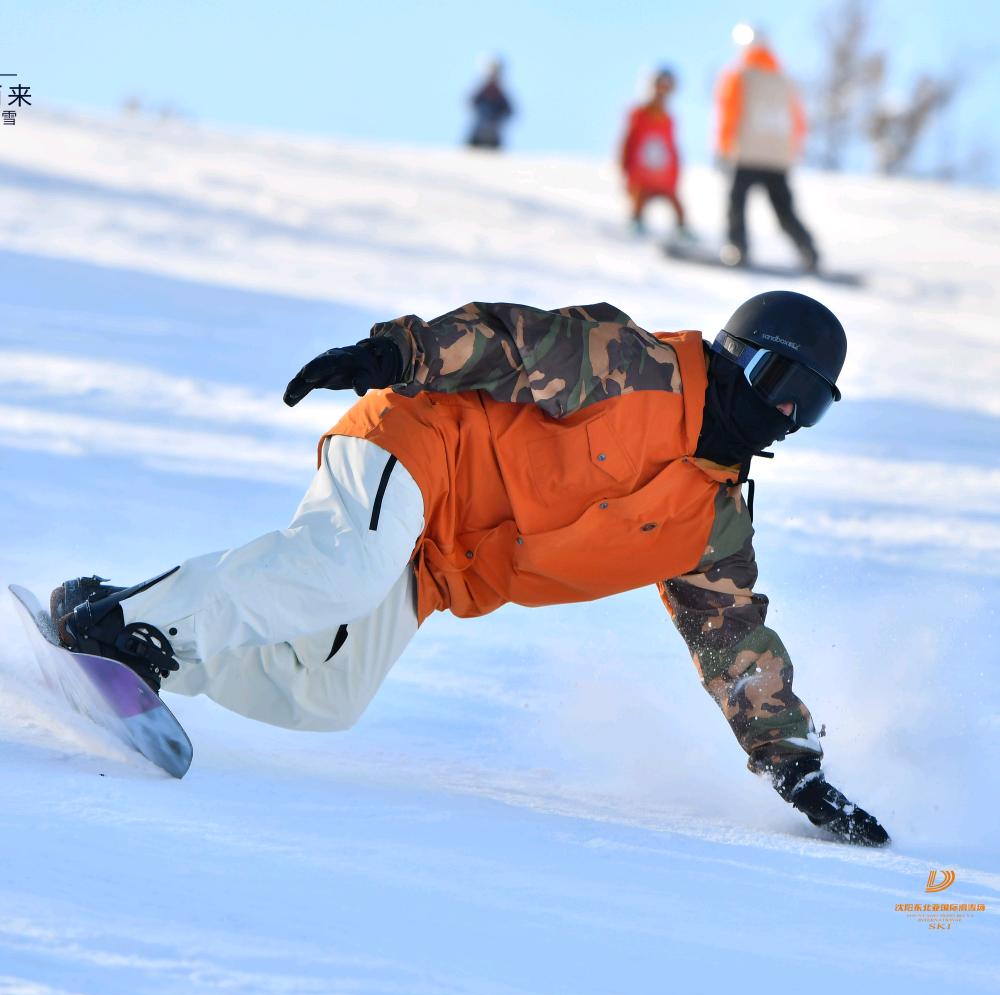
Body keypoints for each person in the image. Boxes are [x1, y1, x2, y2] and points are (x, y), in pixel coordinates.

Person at [51, 291, 890, 847]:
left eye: (811, 405)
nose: (786, 413)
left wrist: (793, 763)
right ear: (739, 355)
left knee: (326, 694)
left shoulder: (711, 525)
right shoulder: (641, 369)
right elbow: (511, 342)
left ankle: (145, 649)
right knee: (342, 568)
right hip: (426, 446)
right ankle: (125, 624)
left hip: (438, 566)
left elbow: (734, 641)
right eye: (780, 381)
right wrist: (396, 354)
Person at [715, 29, 820, 271]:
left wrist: (724, 147)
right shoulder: (785, 81)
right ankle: (808, 250)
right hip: (777, 158)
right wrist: (792, 151)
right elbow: (798, 120)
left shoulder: (739, 75)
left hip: (747, 155)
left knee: (737, 202)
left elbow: (729, 113)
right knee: (784, 209)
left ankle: (737, 247)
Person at [620, 68, 690, 239]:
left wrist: (676, 172)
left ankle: (682, 231)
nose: (662, 92)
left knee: (675, 202)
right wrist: (625, 166)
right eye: (660, 86)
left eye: (667, 88)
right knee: (640, 198)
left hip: (663, 175)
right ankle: (635, 223)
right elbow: (628, 141)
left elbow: (672, 147)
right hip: (641, 173)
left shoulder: (668, 119)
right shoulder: (639, 114)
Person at [467, 59, 514, 150]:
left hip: (493, 134)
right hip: (478, 131)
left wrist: (498, 120)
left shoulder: (500, 93)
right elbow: (470, 102)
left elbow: (509, 111)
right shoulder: (481, 90)